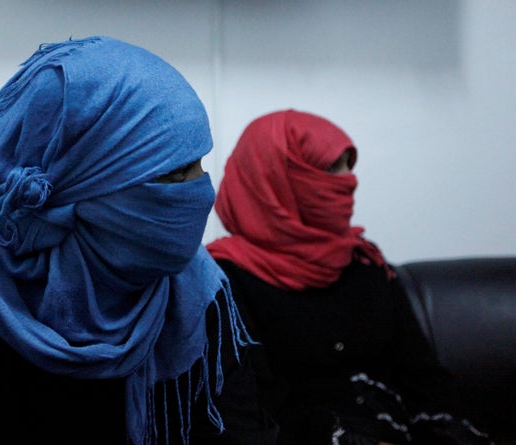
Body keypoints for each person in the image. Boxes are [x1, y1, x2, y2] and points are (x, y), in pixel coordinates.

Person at [0, 36, 278, 445]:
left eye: (200, 166)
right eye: (175, 176)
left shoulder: (193, 283)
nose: (202, 192)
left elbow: (241, 428)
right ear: (85, 181)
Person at [206, 109, 493, 445]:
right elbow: (253, 404)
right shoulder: (223, 280)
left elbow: (424, 376)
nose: (348, 181)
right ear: (273, 180)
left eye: (347, 166)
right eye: (330, 168)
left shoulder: (364, 262)